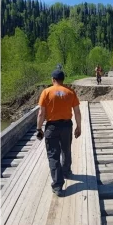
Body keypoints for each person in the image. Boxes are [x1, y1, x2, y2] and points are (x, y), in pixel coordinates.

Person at [36, 69, 81, 197]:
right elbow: (77, 111)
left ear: (53, 79)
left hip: (52, 127)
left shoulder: (46, 92)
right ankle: (66, 171)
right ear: (63, 79)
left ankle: (58, 185)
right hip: (67, 125)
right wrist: (79, 127)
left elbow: (41, 113)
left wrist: (39, 128)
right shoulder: (70, 92)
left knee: (53, 155)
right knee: (66, 149)